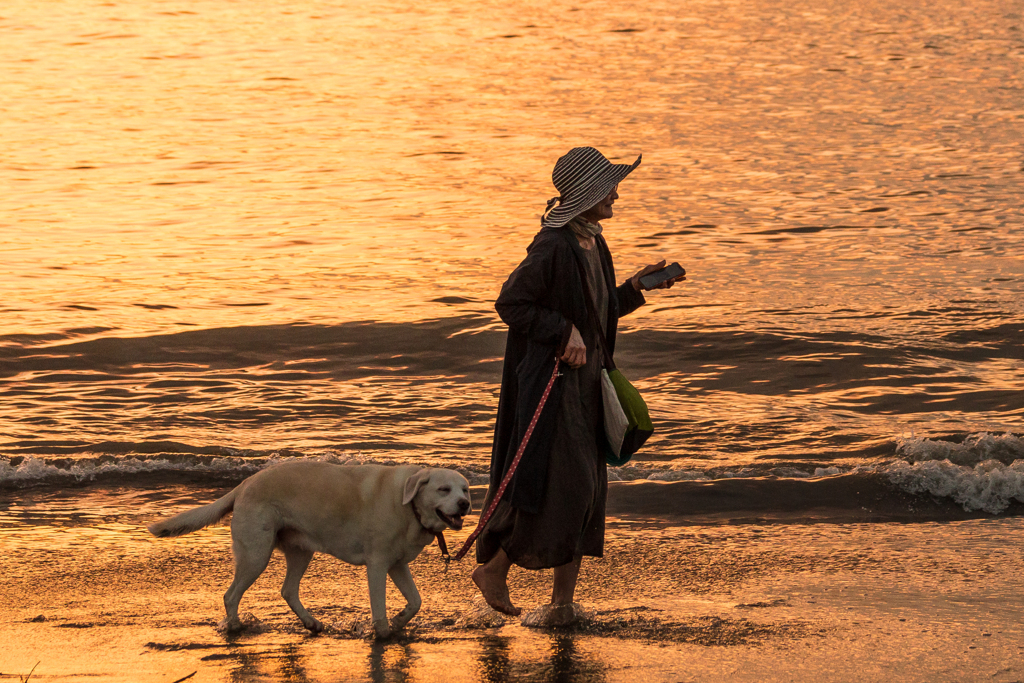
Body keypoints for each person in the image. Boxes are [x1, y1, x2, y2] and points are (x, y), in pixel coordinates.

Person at [472, 147, 685, 621]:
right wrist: (560, 330)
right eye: (608, 186)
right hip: (554, 389)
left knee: (588, 493)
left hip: (588, 385)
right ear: (585, 193)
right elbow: (512, 304)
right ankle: (494, 569)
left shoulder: (593, 242)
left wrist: (635, 288)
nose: (615, 193)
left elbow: (596, 311)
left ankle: (561, 605)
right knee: (565, 489)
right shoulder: (552, 246)